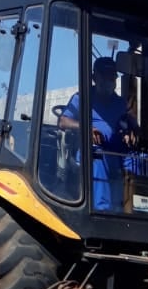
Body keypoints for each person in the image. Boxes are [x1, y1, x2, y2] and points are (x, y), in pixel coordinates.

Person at [59, 56, 139, 210]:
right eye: (105, 76)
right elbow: (63, 121)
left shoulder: (120, 103)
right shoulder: (82, 98)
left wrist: (131, 131)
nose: (109, 81)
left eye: (112, 77)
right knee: (99, 159)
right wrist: (86, 128)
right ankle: (102, 210)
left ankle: (138, 211)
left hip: (117, 152)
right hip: (90, 152)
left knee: (140, 161)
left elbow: (133, 126)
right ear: (95, 77)